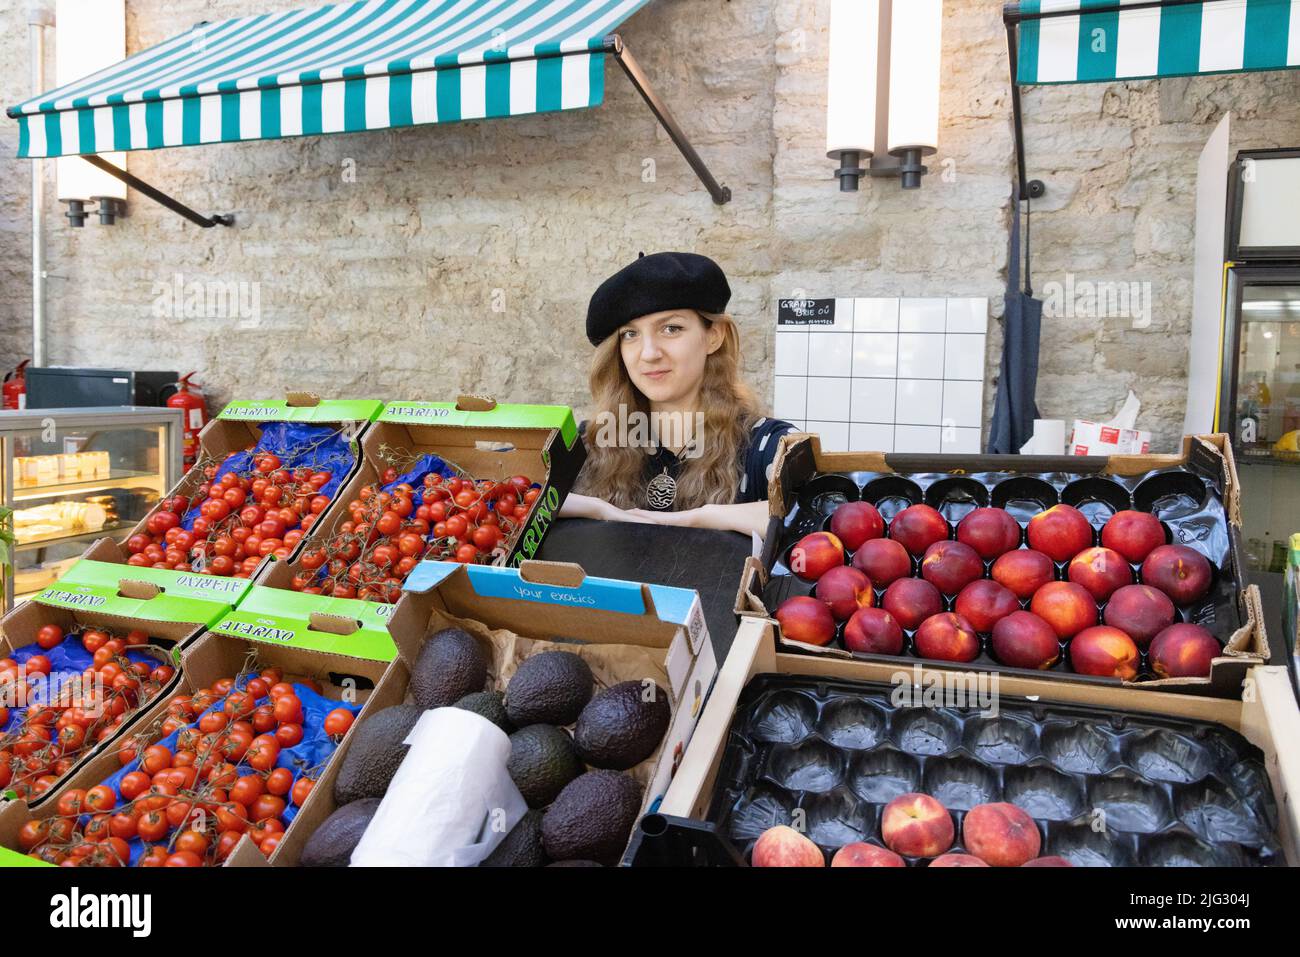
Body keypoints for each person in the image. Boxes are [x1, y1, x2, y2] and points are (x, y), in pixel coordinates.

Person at [560, 252, 796, 539]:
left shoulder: (767, 446)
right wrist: (596, 508)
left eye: (671, 329)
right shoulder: (588, 444)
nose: (648, 354)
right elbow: (505, 491)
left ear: (714, 336)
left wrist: (702, 518)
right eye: (630, 334)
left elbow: (825, 514)